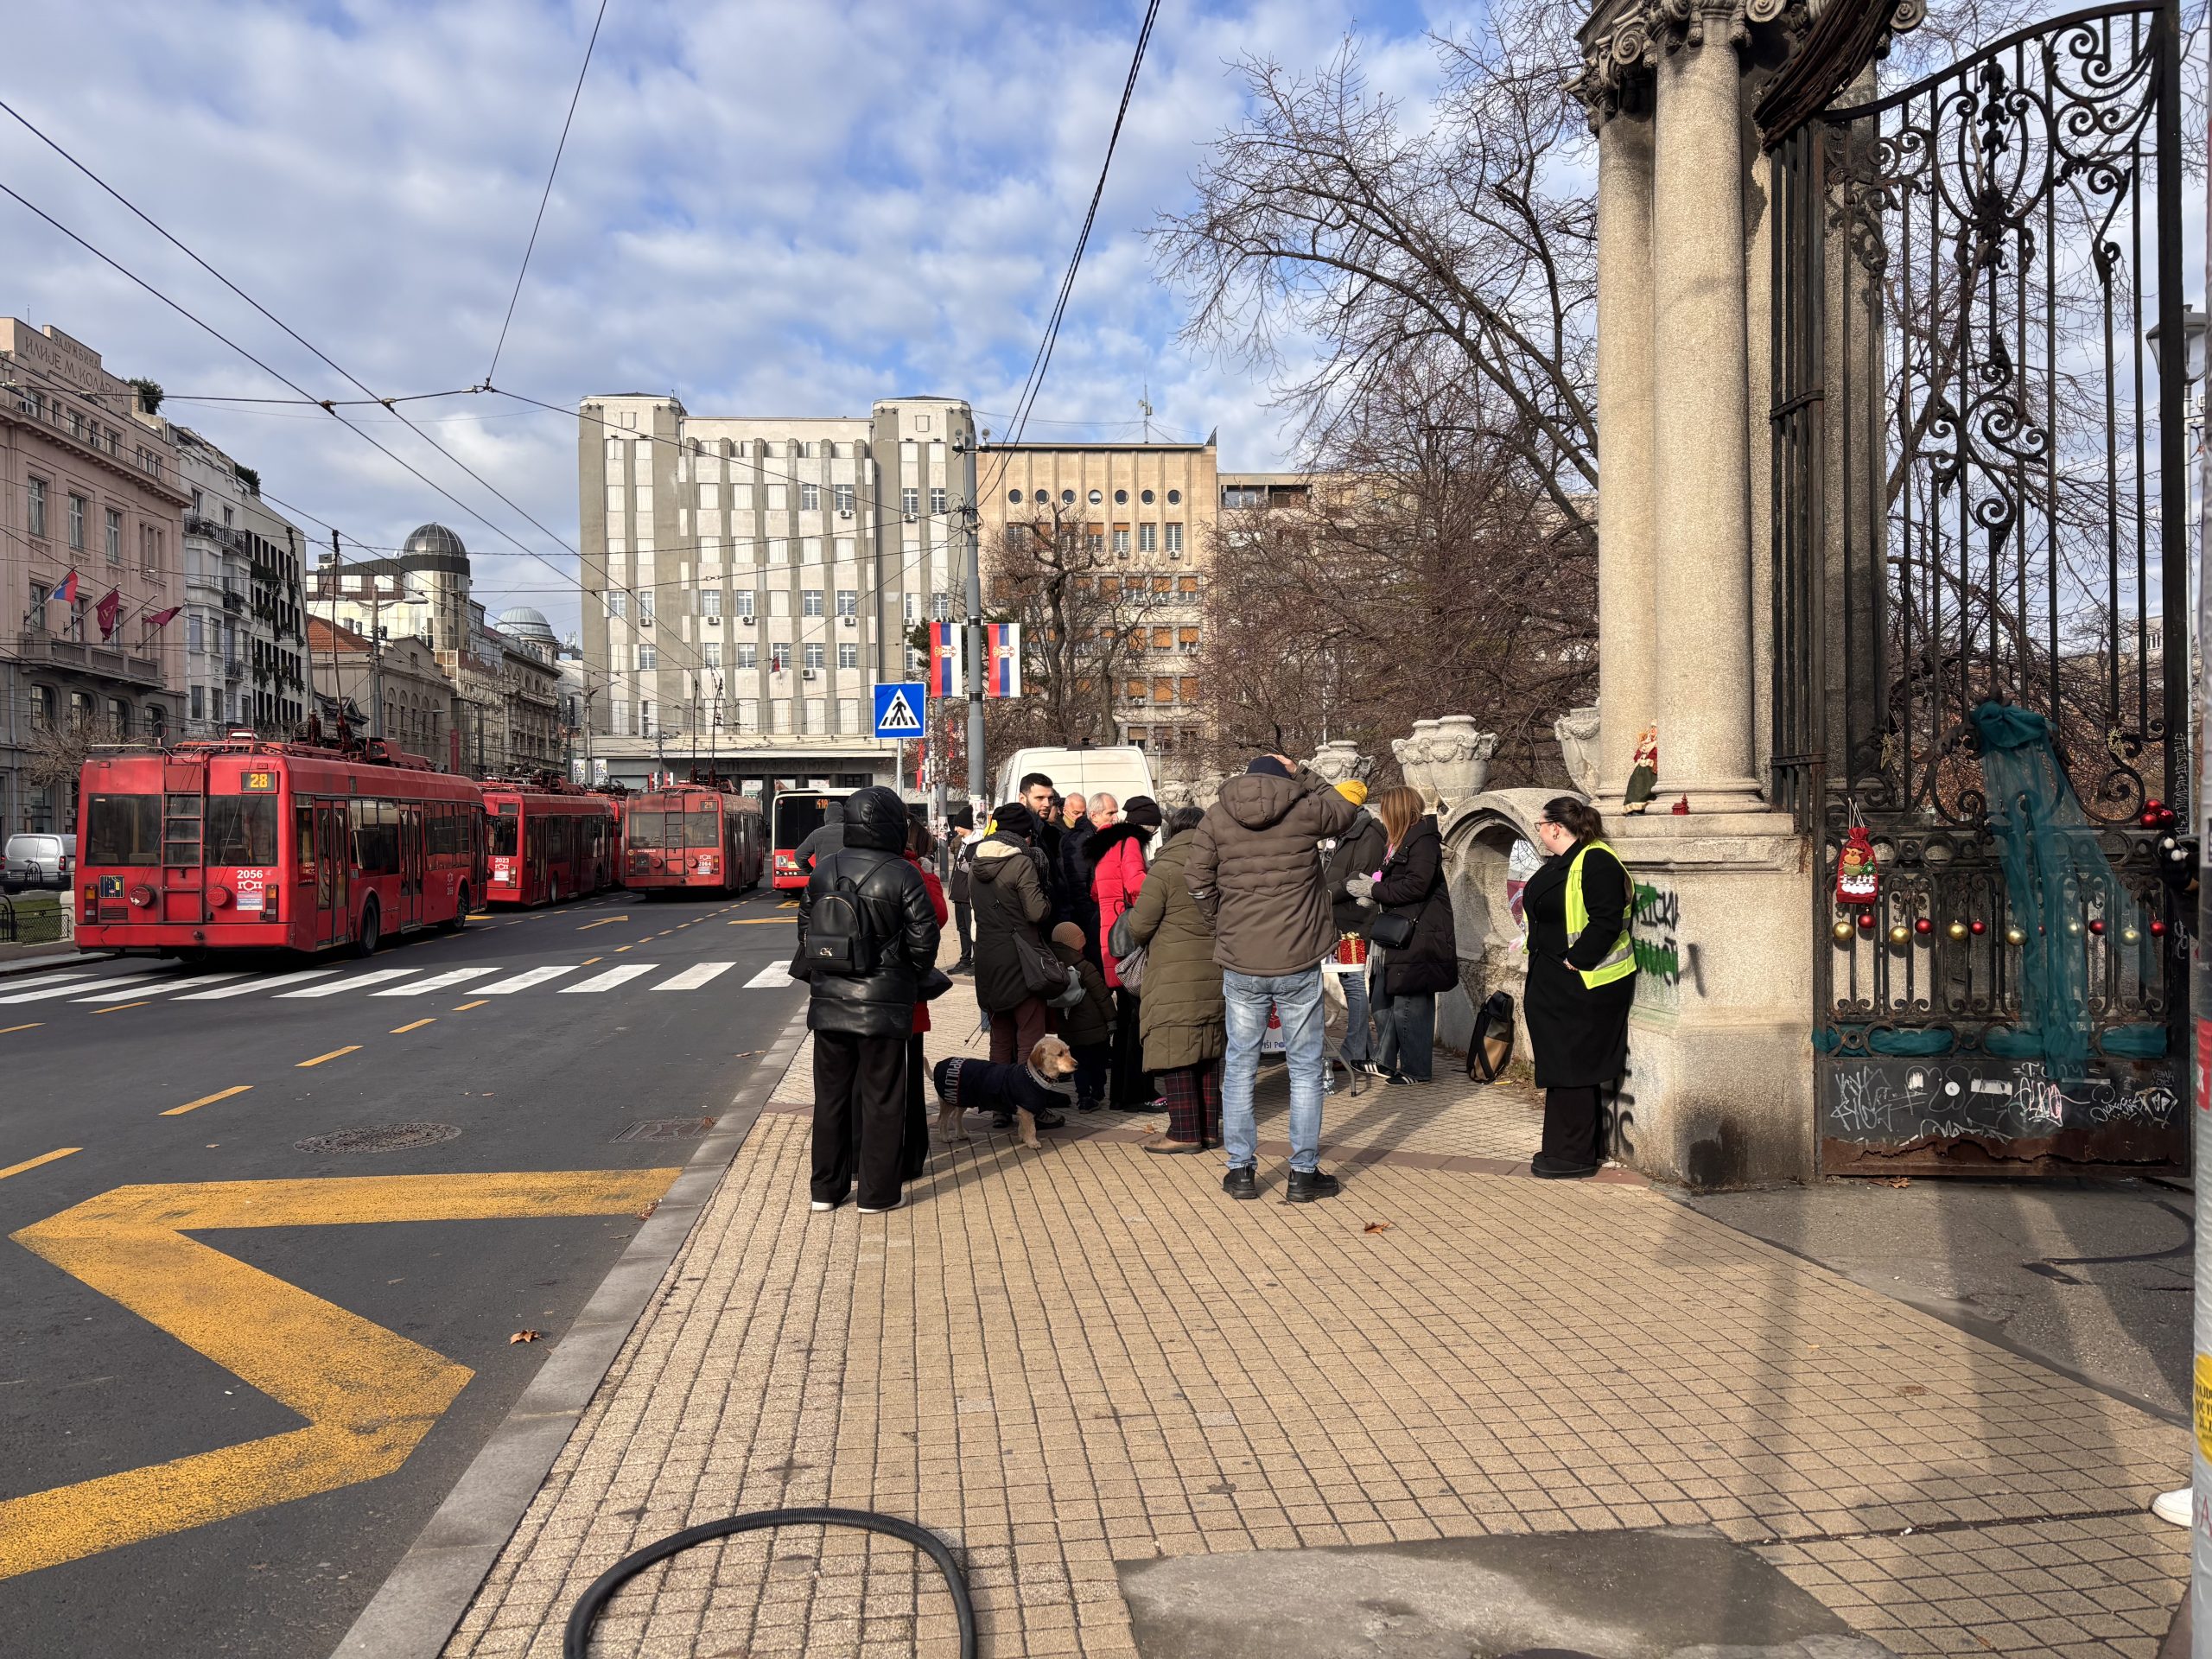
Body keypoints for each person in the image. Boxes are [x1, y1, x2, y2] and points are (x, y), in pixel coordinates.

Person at [1186, 753, 1361, 1201]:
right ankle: (1303, 1174)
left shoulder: (1218, 814)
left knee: (1241, 1066)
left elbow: (1197, 878)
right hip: (1297, 958)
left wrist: (1219, 922)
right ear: (1285, 778)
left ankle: (1241, 1171)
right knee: (1304, 1068)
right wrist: (1303, 772)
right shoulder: (1303, 808)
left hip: (1241, 959)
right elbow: (1344, 809)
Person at [794, 786, 941, 1214]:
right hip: (883, 1003)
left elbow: (806, 929)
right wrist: (905, 974)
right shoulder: (902, 872)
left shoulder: (826, 868)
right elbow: (924, 941)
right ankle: (876, 1195)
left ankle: (826, 1190)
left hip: (829, 1000)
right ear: (894, 823)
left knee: (831, 1098)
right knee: (882, 1099)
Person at [1520, 795, 1635, 1179]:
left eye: (1540, 824)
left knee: (1573, 1063)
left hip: (1583, 980)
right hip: (1554, 977)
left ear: (1556, 827)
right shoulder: (1562, 861)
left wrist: (1576, 959)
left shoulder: (1596, 859)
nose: (1538, 830)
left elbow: (1607, 920)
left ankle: (1575, 1155)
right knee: (1559, 1062)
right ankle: (1562, 1147)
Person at [1125, 804, 1225, 1153]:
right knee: (1209, 1049)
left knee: (1175, 1048)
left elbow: (1139, 927)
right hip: (1216, 972)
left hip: (1174, 975)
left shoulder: (1164, 869)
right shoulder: (1221, 868)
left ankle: (1183, 1133)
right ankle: (1209, 1130)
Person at [1347, 785, 1457, 1085]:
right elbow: (1396, 881)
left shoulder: (1423, 840)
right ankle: (1384, 1060)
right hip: (1397, 933)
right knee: (1383, 998)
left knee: (1411, 1003)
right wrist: (1375, 889)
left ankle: (1415, 1069)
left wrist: (1375, 889)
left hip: (1418, 937)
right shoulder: (1398, 841)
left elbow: (1416, 886)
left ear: (1395, 811)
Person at [969, 800, 1053, 1067]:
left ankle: (999, 1104)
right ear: (1025, 834)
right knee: (1030, 1036)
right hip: (1021, 960)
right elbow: (1037, 912)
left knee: (1000, 1037)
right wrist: (1048, 898)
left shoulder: (976, 863)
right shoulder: (1021, 863)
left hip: (987, 957)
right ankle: (1028, 1104)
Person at [1090, 795, 1159, 1109]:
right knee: (1137, 1022)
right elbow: (1137, 885)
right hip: (1130, 938)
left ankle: (1121, 1093)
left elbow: (1096, 891)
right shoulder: (1130, 841)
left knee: (1127, 1019)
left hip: (1111, 936)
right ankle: (1136, 1093)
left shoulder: (1106, 843)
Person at [1320, 779, 1388, 1089]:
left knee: (1355, 984)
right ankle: (1358, 1047)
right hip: (1339, 919)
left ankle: (1358, 1048)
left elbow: (1360, 877)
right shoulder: (1342, 834)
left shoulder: (1370, 833)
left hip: (1357, 922)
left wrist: (1324, 893)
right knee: (1350, 982)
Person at [903, 819, 951, 1175]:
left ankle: (857, 1157)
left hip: (844, 1001)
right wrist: (929, 876)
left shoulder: (838, 863)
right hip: (903, 996)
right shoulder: (911, 871)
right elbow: (937, 917)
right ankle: (909, 1156)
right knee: (906, 1084)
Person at [1050, 921, 1116, 1110]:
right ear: (1078, 943)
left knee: (1078, 1064)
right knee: (1097, 1062)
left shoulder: (1054, 967)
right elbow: (1101, 995)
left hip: (1069, 1030)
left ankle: (1083, 1097)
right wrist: (1111, 1018)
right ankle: (1098, 1091)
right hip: (1094, 1028)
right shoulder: (1085, 966)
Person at [945, 805, 977, 971]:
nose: (956, 829)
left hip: (968, 895)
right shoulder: (962, 842)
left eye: (958, 825)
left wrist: (970, 868)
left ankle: (976, 960)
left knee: (972, 928)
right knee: (962, 928)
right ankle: (965, 959)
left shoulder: (977, 844)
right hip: (958, 893)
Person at [793, 797, 847, 873]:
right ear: (843, 816)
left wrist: (811, 871)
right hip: (847, 877)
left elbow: (798, 856)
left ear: (826, 817)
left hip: (824, 878)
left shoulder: (817, 834)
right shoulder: (853, 832)